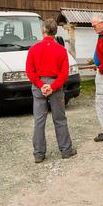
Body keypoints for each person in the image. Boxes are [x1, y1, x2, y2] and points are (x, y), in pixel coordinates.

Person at [25, 18, 76, 163]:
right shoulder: (61, 50)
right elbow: (64, 73)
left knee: (39, 121)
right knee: (59, 119)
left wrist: (41, 85)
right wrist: (52, 86)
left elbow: (29, 71)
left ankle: (39, 154)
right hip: (56, 84)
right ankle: (66, 150)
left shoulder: (34, 49)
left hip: (39, 84)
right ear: (56, 32)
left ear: (43, 31)